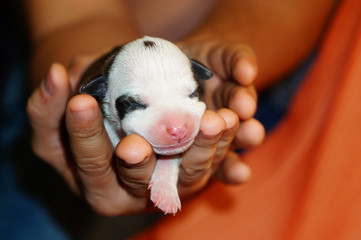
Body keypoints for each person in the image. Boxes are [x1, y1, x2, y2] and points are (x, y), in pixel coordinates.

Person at [24, 0, 361, 239]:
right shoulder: (96, 90)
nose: (176, 125)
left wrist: (225, 48)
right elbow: (74, 18)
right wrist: (69, 89)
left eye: (190, 95)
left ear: (200, 80)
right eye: (140, 104)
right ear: (101, 92)